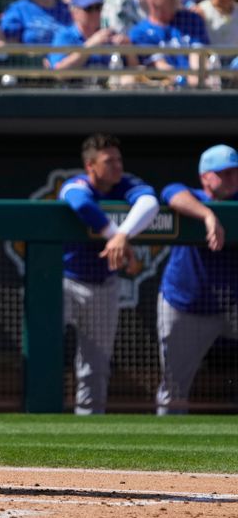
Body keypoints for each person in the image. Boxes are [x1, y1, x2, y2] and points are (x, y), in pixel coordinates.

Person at [58, 133, 159, 415]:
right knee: (46, 351)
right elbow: (79, 203)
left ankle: (88, 426)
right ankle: (40, 416)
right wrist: (116, 237)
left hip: (103, 285)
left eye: (119, 159)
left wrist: (122, 237)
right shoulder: (77, 184)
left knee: (95, 363)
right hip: (65, 281)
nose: (117, 166)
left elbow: (150, 202)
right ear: (91, 166)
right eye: (108, 161)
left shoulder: (125, 184)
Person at [155, 144, 238, 415]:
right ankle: (165, 452)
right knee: (174, 388)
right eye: (223, 173)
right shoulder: (192, 195)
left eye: (235, 173)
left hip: (230, 306)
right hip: (185, 306)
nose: (231, 179)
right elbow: (170, 193)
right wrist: (208, 215)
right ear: (205, 176)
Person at [47, 0, 137, 78]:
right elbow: (59, 73)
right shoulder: (65, 36)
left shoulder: (110, 35)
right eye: (89, 9)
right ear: (74, 12)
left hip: (108, 91)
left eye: (98, 7)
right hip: (76, 91)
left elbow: (135, 72)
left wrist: (129, 51)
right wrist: (90, 45)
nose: (95, 13)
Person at [129, 0, 210, 87]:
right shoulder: (139, 32)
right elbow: (161, 67)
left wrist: (197, 81)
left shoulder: (192, 19)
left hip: (199, 87)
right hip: (166, 93)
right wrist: (185, 80)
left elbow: (198, 57)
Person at [0, 0, 71, 45]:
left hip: (66, 61)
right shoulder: (18, 9)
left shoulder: (69, 10)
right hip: (31, 63)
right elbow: (10, 42)